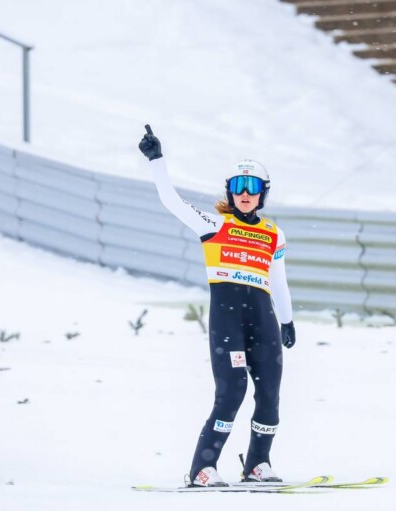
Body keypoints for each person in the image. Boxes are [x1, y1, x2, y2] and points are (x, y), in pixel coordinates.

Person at [138, 125, 296, 487]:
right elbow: (172, 202)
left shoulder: (274, 234)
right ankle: (201, 469)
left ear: (263, 194)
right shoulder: (213, 224)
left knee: (270, 393)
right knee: (233, 390)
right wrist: (157, 161)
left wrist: (286, 322)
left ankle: (258, 463)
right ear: (229, 191)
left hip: (264, 321)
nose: (244, 194)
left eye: (252, 187)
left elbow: (278, 281)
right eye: (238, 187)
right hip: (228, 322)